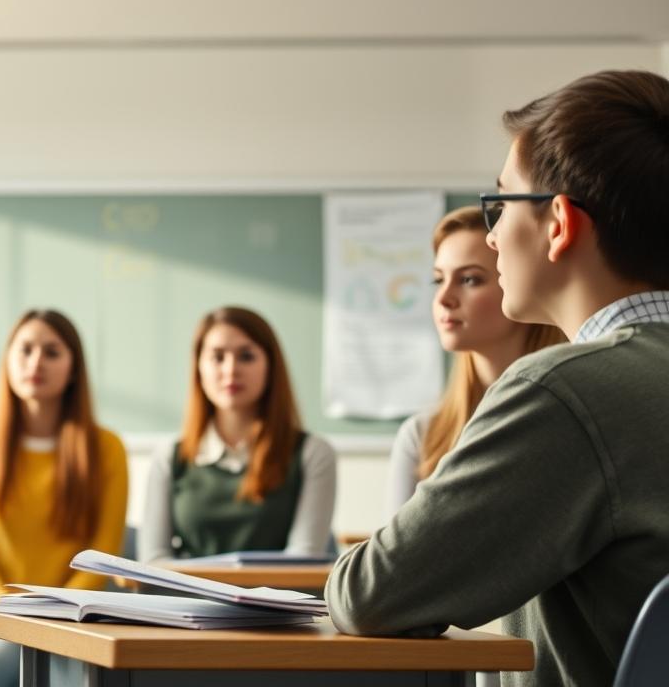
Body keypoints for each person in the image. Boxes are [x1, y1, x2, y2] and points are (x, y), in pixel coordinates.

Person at [327, 70, 669, 687]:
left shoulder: (566, 392)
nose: (491, 233)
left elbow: (368, 594)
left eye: (501, 203)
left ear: (559, 224)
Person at [0, 309, 129, 687]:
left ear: (74, 368)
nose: (36, 362)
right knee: (5, 650)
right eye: (25, 350)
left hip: (73, 623)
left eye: (52, 352)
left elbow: (103, 558)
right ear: (7, 362)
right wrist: (16, 615)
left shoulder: (106, 449)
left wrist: (52, 618)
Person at [384, 208, 565, 516]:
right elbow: (393, 560)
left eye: (469, 279)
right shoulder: (422, 435)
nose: (444, 298)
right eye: (438, 279)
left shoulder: (568, 419)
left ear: (518, 283)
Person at [139, 306, 337, 563]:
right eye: (217, 357)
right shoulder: (170, 456)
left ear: (270, 365)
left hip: (277, 603)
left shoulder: (312, 453)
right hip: (189, 602)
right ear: (198, 367)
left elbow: (303, 561)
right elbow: (153, 562)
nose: (231, 370)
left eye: (246, 356)